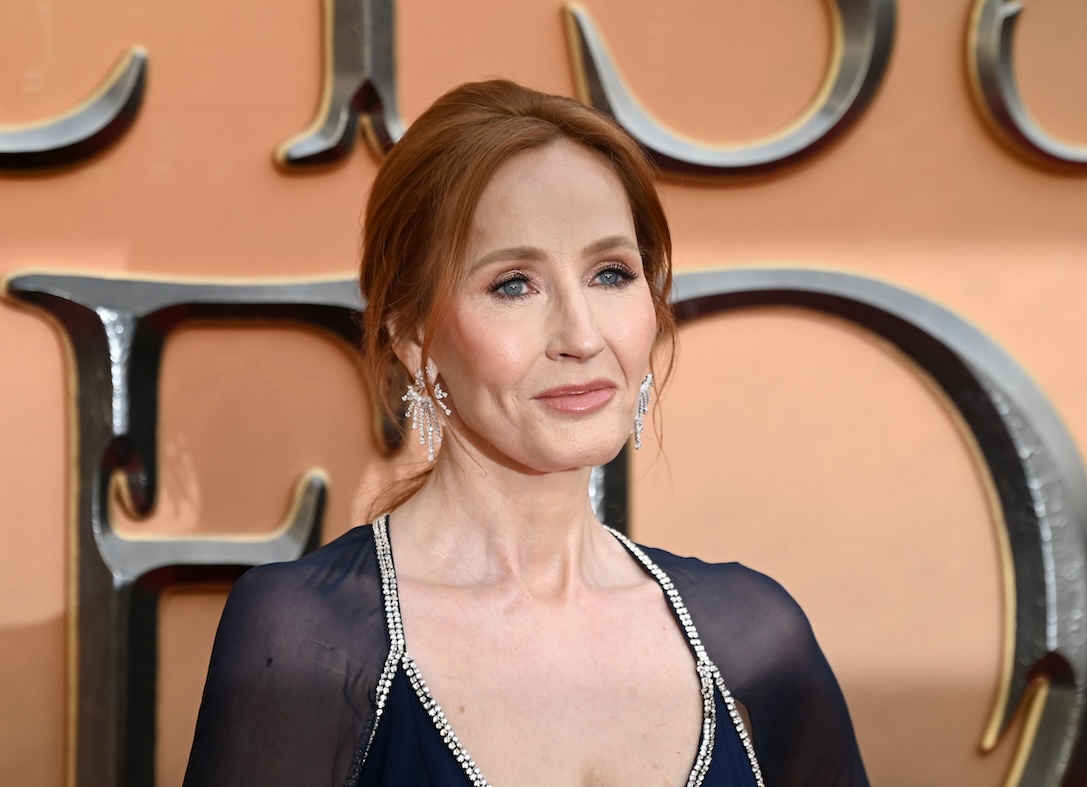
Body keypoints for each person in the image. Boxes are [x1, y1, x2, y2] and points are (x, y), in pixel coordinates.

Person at [183, 79, 869, 787]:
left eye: (611, 273)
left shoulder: (756, 637)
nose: (580, 334)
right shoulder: (306, 639)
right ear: (415, 337)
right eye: (514, 284)